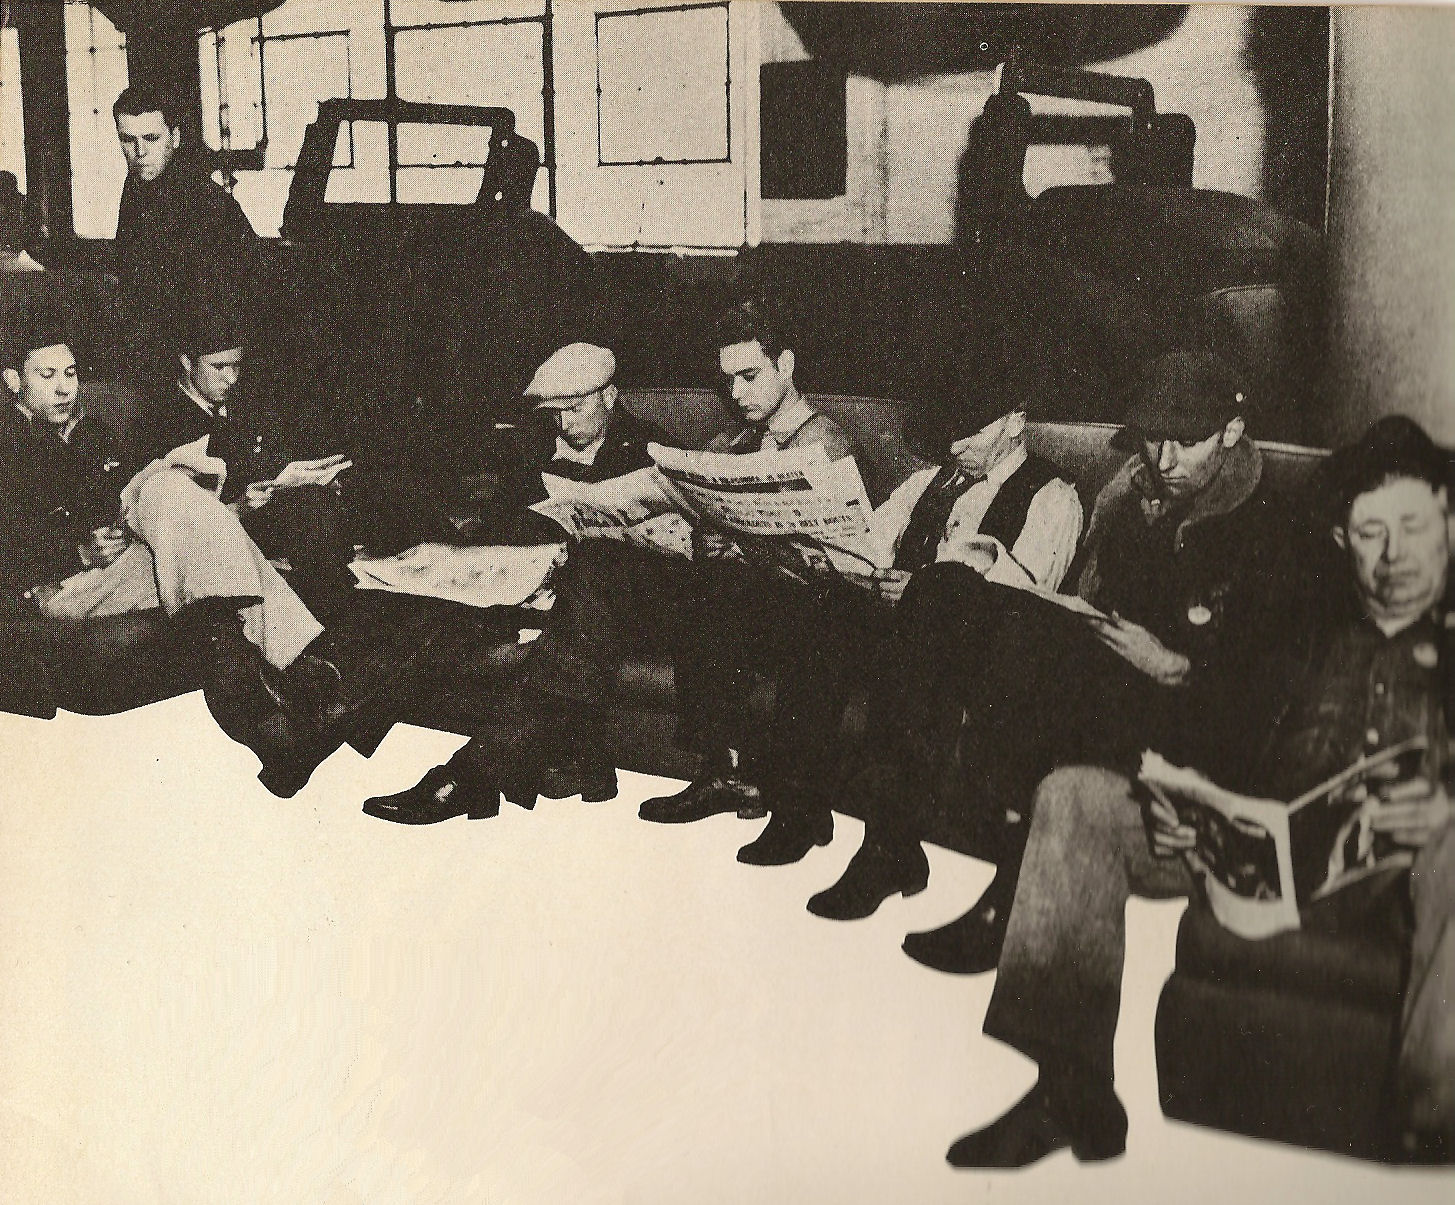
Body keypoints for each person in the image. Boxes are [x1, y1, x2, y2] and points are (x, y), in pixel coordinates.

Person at [947, 414, 1453, 1168]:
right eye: (1370, 532)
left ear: (1447, 521)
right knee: (1075, 798)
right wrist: (1194, 807)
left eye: (1412, 527)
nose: (1392, 556)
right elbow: (1228, 734)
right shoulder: (1304, 627)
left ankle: (1432, 1121)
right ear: (1343, 540)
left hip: (1408, 874)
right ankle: (1069, 1088)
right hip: (1266, 858)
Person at [855, 349, 1298, 973]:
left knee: (1033, 668)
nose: (1165, 460)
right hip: (1105, 665)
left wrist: (1178, 668)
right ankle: (889, 842)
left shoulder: (1268, 530)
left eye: (1188, 442)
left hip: (1178, 705)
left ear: (1231, 431)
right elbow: (1089, 600)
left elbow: (1266, 693)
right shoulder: (1130, 497)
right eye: (1153, 439)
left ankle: (1013, 901)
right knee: (942, 588)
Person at [698, 386, 1084, 879]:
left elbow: (1029, 605)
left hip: (973, 654)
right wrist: (834, 562)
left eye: (970, 432)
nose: (955, 446)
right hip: (897, 635)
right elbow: (869, 543)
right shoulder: (927, 481)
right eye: (949, 432)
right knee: (821, 612)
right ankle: (799, 809)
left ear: (1014, 422)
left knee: (922, 618)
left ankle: (887, 848)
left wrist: (924, 589)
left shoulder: (1052, 496)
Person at [0, 320, 346, 793]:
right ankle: (298, 667)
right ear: (12, 380)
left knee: (170, 488)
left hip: (120, 567)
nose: (64, 388)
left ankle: (264, 703)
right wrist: (76, 552)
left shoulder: (90, 434)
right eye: (47, 375)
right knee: (177, 502)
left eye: (71, 373)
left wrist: (222, 506)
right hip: (58, 588)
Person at [360, 342, 670, 824]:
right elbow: (502, 519)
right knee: (435, 608)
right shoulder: (533, 449)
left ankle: (470, 777)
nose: (564, 423)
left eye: (575, 408)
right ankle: (338, 722)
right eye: (555, 412)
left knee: (588, 589)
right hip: (532, 588)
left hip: (611, 600)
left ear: (609, 397)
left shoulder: (652, 450)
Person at [636, 293, 854, 844]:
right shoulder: (730, 440)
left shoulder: (826, 443)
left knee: (719, 592)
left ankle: (738, 777)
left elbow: (839, 558)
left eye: (750, 376)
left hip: (811, 610)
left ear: (787, 365)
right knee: (702, 584)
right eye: (728, 380)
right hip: (744, 605)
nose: (736, 393)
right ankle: (724, 770)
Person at [129, 305, 357, 606]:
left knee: (327, 500)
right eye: (219, 367)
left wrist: (302, 477)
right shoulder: (159, 423)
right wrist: (240, 505)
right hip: (219, 534)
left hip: (269, 515)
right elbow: (170, 518)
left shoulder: (247, 406)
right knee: (312, 515)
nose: (231, 378)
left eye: (236, 366)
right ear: (187, 362)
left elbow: (271, 458)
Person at [111, 85, 259, 390]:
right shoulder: (138, 183)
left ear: (175, 138)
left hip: (210, 356)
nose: (139, 152)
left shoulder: (206, 202)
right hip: (162, 347)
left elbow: (223, 302)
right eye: (128, 140)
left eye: (151, 138)